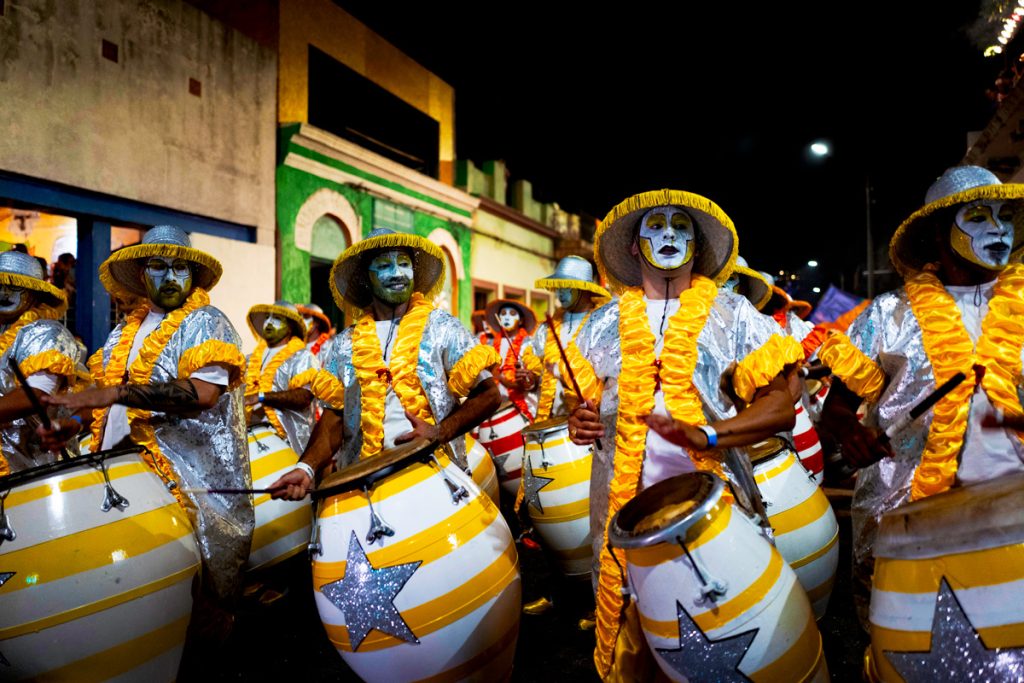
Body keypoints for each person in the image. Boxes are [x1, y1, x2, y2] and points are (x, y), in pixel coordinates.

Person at [565, 189, 801, 680]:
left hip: (717, 513)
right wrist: (578, 421)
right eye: (655, 225)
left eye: (681, 225)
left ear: (696, 243)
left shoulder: (733, 314)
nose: (669, 234)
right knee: (636, 652)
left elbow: (780, 407)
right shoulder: (599, 325)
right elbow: (578, 404)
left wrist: (711, 436)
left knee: (729, 643)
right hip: (622, 518)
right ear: (634, 247)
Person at [818, 165, 1024, 624]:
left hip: (1016, 514)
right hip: (909, 513)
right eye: (978, 216)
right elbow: (835, 410)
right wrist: (853, 434)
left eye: (1004, 215)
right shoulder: (886, 314)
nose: (998, 229)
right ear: (936, 234)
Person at [38, 225, 253, 629]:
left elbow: (202, 394)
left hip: (190, 494)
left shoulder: (207, 321)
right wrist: (73, 426)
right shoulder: (124, 331)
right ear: (141, 275)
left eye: (180, 269)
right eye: (158, 267)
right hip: (125, 483)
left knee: (196, 612)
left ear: (193, 277)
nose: (171, 278)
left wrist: (115, 395)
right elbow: (104, 402)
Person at [269, 228, 501, 499]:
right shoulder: (345, 343)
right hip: (363, 486)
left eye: (404, 264)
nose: (397, 274)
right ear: (367, 278)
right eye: (383, 266)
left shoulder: (441, 327)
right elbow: (334, 416)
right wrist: (306, 467)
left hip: (434, 477)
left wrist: (439, 432)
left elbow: (490, 395)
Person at [0, 251, 79, 475]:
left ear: (34, 294)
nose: (4, 293)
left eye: (15, 287)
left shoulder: (46, 332)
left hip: (35, 473)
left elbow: (36, 395)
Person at [520, 256, 610, 422]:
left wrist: (561, 371)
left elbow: (609, 377)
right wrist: (531, 377)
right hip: (551, 424)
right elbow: (539, 364)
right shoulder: (547, 327)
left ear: (583, 288)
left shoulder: (604, 324)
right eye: (558, 286)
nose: (559, 292)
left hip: (589, 423)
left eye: (566, 286)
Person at [244, 301, 320, 454]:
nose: (269, 322)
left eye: (277, 318)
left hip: (288, 443)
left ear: (290, 326)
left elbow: (304, 398)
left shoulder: (302, 357)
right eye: (267, 317)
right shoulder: (249, 359)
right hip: (250, 440)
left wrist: (261, 397)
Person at [485, 298, 537, 421]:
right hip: (494, 407)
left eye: (512, 314)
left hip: (522, 407)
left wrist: (503, 379)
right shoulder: (490, 344)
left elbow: (533, 381)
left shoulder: (528, 344)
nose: (507, 318)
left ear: (521, 321)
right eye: (503, 314)